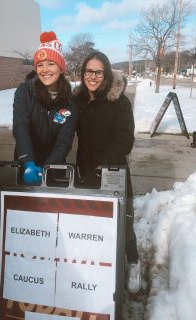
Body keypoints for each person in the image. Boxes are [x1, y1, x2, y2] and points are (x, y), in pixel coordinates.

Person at [74, 51, 141, 294]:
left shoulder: (119, 102)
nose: (93, 76)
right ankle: (101, 266)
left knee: (124, 221)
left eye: (98, 71)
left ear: (106, 73)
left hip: (113, 172)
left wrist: (101, 169)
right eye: (88, 71)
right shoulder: (78, 100)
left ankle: (133, 261)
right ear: (82, 74)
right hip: (84, 172)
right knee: (94, 223)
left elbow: (124, 140)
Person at [13, 31, 78, 185]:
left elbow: (64, 141)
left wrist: (47, 169)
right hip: (27, 165)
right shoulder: (24, 92)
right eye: (40, 65)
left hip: (54, 167)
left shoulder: (70, 103)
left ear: (61, 68)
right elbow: (20, 127)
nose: (45, 70)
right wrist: (28, 162)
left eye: (51, 63)